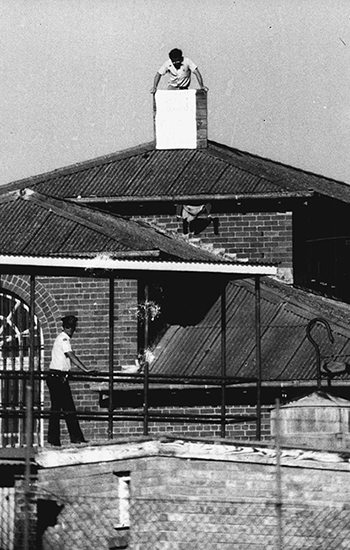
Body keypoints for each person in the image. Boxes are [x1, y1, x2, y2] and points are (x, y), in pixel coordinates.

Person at [46, 315, 97, 447]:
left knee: (58, 408)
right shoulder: (64, 339)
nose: (71, 330)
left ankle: (55, 439)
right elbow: (71, 355)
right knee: (67, 408)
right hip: (57, 378)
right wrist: (85, 370)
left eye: (72, 327)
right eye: (69, 327)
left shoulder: (61, 338)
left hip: (57, 377)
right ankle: (74, 438)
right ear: (66, 327)